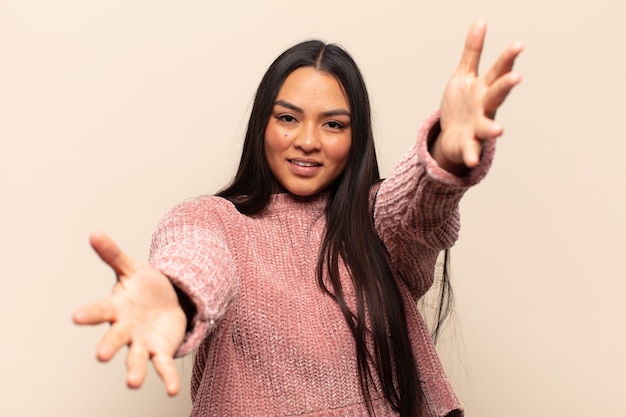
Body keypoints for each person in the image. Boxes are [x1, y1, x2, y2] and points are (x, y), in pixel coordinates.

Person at [74, 20, 523, 417]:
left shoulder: (376, 222)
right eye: (288, 117)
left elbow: (417, 204)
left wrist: (445, 149)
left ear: (356, 137)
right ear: (262, 125)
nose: (307, 140)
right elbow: (197, 257)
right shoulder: (214, 220)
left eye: (333, 124)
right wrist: (176, 293)